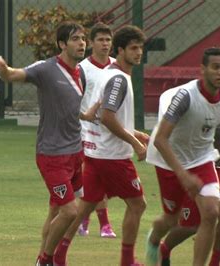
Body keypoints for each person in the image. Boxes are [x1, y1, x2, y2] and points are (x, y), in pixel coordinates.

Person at [0, 21, 99, 266]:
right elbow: (13, 75)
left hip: (75, 152)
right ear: (62, 44)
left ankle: (47, 259)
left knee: (59, 212)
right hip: (52, 155)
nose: (82, 43)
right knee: (70, 211)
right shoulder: (46, 69)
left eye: (83, 38)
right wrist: (3, 68)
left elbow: (70, 106)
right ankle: (45, 259)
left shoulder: (80, 72)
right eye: (75, 39)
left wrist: (86, 115)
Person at [54, 25, 149, 266]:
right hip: (112, 156)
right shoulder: (118, 79)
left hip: (97, 152)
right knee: (138, 205)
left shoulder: (110, 73)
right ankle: (127, 260)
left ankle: (58, 254)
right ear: (121, 50)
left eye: (141, 48)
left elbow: (98, 113)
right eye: (133, 48)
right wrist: (136, 143)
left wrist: (136, 132)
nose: (139, 53)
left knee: (84, 207)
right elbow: (107, 117)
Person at [153, 65, 220, 266]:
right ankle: (164, 249)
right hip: (197, 164)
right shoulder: (213, 107)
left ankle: (214, 262)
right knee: (191, 225)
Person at [77, 22, 117, 239]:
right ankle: (105, 224)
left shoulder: (117, 67)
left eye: (108, 40)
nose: (105, 44)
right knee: (95, 177)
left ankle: (84, 219)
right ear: (91, 43)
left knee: (97, 180)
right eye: (100, 40)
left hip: (111, 130)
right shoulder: (82, 68)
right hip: (86, 131)